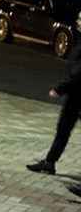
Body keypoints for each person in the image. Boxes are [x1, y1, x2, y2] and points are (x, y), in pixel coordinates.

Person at [27, 43, 81, 175]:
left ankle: (49, 163)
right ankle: (49, 162)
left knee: (63, 129)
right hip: (75, 94)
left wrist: (59, 88)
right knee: (63, 129)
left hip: (77, 95)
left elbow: (78, 73)